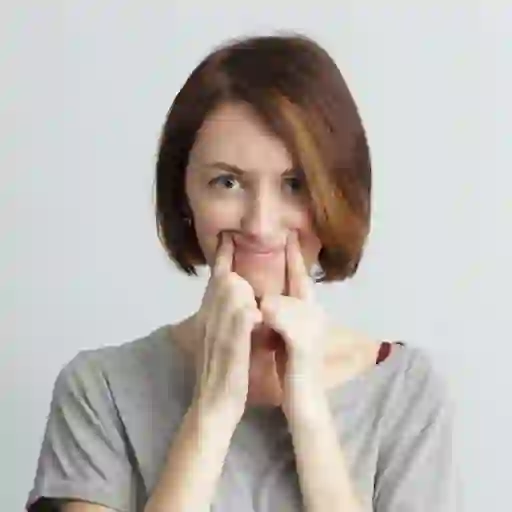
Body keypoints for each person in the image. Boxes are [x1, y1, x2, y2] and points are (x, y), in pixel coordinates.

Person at [26, 33, 457, 512]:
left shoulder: (405, 390)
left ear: (338, 194)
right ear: (184, 196)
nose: (260, 224)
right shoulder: (99, 389)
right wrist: (211, 412)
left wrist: (309, 416)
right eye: (227, 182)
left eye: (295, 184)